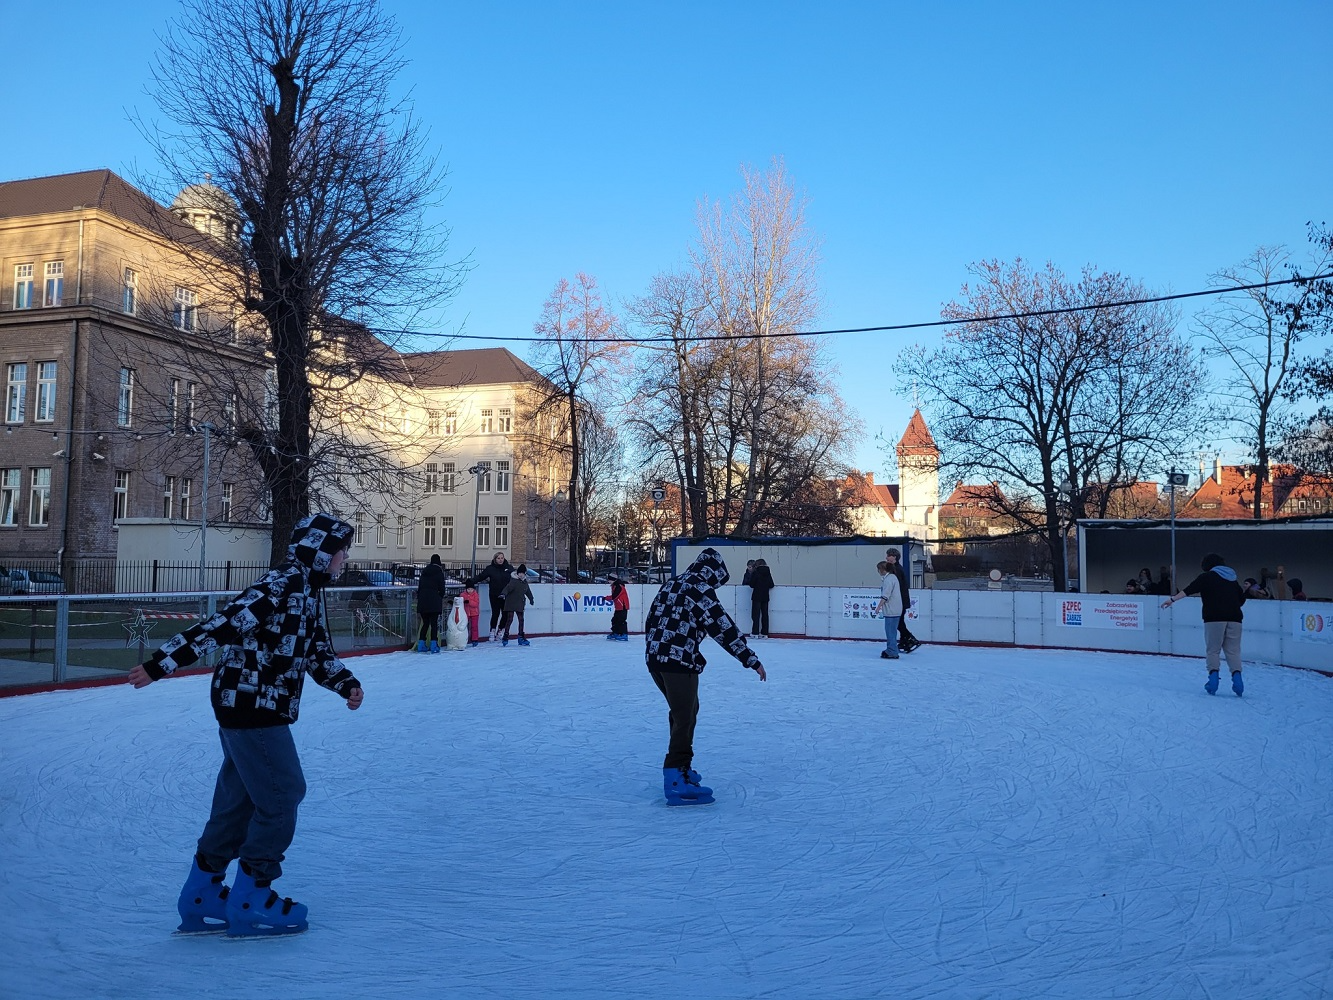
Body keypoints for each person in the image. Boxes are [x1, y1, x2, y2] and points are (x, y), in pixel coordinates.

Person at [126, 513, 364, 938]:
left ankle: (201, 892)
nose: (346, 557)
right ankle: (253, 895)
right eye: (342, 549)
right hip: (252, 705)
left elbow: (315, 651)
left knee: (240, 800)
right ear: (322, 551)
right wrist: (160, 664)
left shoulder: (308, 591)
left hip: (251, 705)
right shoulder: (279, 586)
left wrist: (345, 683)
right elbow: (219, 625)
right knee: (282, 793)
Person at [644, 547, 766, 805]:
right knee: (685, 717)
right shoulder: (700, 589)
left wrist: (654, 651)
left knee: (683, 712)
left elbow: (651, 619)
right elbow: (723, 628)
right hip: (678, 662)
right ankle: (676, 778)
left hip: (656, 659)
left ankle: (682, 768)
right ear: (713, 574)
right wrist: (750, 659)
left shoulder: (672, 584)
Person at [1162, 552, 1247, 697]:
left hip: (1214, 618)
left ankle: (1213, 681)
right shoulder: (1232, 579)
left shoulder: (1207, 577)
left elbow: (1189, 589)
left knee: (1213, 650)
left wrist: (1172, 599)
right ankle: (1238, 681)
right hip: (1235, 619)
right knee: (1233, 651)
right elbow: (1242, 599)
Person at [886, 548, 920, 652]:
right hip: (901, 600)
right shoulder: (896, 568)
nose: (886, 557)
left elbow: (897, 587)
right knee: (900, 622)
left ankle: (910, 639)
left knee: (898, 623)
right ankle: (904, 641)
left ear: (894, 557)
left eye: (888, 555)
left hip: (900, 601)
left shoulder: (896, 570)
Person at [478, 551, 514, 641]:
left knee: (505, 614)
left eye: (502, 558)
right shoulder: (490, 569)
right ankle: (492, 631)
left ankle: (500, 629)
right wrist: (470, 581)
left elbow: (515, 578)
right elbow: (480, 576)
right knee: (495, 613)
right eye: (498, 558)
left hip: (506, 595)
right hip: (494, 594)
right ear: (495, 559)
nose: (500, 560)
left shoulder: (509, 568)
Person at [415, 554, 447, 653]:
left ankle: (421, 644)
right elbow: (442, 588)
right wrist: (440, 596)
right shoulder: (439, 572)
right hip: (434, 600)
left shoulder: (424, 572)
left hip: (423, 600)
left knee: (425, 623)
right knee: (434, 624)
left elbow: (420, 587)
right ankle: (434, 645)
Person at [498, 564, 535, 647]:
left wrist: (531, 599)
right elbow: (508, 588)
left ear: (525, 574)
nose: (521, 575)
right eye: (520, 573)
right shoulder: (513, 581)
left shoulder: (524, 582)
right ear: (517, 574)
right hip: (511, 603)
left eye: (522, 573)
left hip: (520, 603)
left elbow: (528, 591)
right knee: (509, 619)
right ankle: (506, 636)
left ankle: (521, 637)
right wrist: (503, 594)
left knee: (521, 620)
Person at [875, 559, 904, 660]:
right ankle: (892, 649)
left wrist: (878, 607)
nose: (878, 572)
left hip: (891, 610)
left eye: (878, 569)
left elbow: (886, 595)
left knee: (890, 631)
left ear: (882, 570)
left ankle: (892, 651)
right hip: (895, 609)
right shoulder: (893, 577)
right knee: (892, 631)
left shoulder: (889, 580)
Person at [748, 558, 775, 638]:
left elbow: (751, 584)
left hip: (756, 596)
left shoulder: (756, 572)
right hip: (765, 596)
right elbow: (771, 585)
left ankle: (755, 632)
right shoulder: (768, 572)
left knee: (755, 615)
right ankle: (764, 633)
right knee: (765, 615)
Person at [607, 575, 630, 641]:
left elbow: (615, 596)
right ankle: (616, 633)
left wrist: (606, 598)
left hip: (623, 606)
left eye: (609, 580)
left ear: (613, 580)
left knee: (621, 621)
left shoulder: (619, 586)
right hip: (618, 606)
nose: (608, 581)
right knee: (615, 620)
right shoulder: (614, 586)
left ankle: (624, 634)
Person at [461, 578, 482, 646]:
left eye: (471, 589)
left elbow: (476, 604)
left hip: (474, 613)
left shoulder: (476, 595)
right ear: (466, 589)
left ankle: (474, 639)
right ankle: (464, 638)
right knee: (464, 626)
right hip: (466, 613)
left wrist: (469, 602)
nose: (470, 591)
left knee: (474, 626)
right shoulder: (463, 595)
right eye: (468, 589)